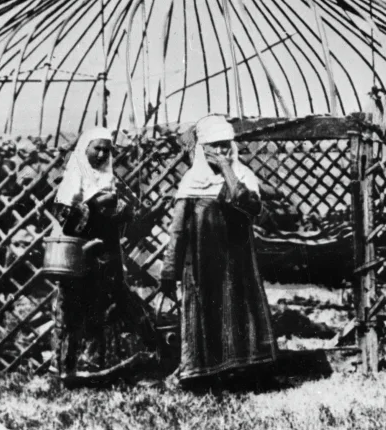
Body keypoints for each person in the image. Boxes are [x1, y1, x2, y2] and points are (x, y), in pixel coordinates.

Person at [161, 115, 277, 388]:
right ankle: (203, 373)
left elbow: (249, 206)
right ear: (203, 149)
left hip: (238, 263)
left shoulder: (243, 176)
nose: (223, 151)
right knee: (207, 313)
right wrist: (169, 270)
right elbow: (177, 230)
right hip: (203, 263)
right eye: (215, 146)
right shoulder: (191, 181)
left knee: (239, 311)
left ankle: (244, 371)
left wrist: (227, 169)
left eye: (226, 145)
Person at [51, 127, 158, 386]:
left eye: (105, 150)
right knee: (74, 311)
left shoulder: (107, 179)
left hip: (106, 258)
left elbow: (123, 224)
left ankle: (99, 369)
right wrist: (93, 206)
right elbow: (65, 219)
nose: (100, 154)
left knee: (105, 309)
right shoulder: (72, 180)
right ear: (84, 148)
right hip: (79, 257)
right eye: (96, 148)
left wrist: (122, 211)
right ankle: (67, 371)